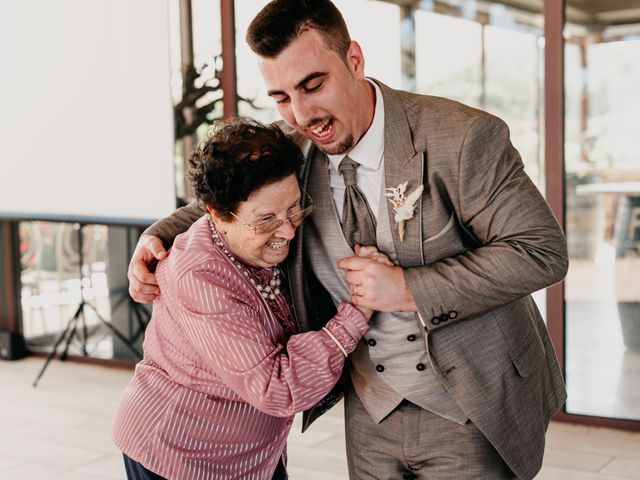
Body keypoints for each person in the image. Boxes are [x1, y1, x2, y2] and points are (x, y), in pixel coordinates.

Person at [128, 1, 569, 479]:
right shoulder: (293, 145)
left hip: (468, 402)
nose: (300, 114)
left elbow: (541, 251)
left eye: (313, 85)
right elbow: (227, 201)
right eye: (280, 97)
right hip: (369, 408)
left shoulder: (462, 138)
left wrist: (407, 288)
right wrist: (156, 236)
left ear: (354, 60)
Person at [112, 118, 372, 480]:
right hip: (179, 455)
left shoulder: (256, 235)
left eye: (295, 208)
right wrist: (356, 313)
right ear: (217, 214)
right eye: (266, 220)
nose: (287, 230)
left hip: (251, 457)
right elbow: (277, 387)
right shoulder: (198, 276)